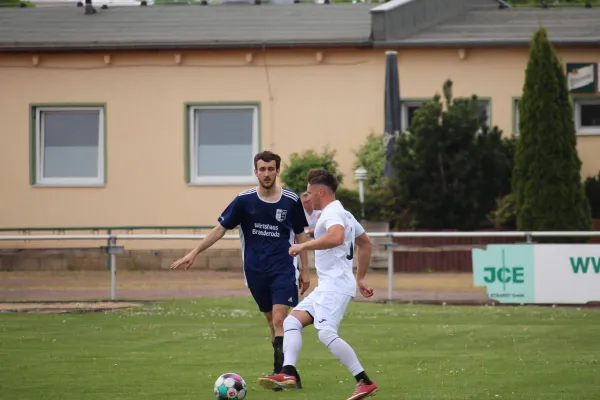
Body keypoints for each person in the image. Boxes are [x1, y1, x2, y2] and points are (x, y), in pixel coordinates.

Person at [170, 151, 311, 388]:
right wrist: (194, 252)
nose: (266, 174)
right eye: (262, 169)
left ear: (277, 171)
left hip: (283, 269)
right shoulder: (244, 201)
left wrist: (306, 270)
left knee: (280, 319)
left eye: (271, 169)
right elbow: (219, 229)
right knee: (271, 321)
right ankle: (286, 369)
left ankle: (282, 373)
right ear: (255, 171)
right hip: (255, 271)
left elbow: (300, 234)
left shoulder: (290, 200)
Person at [257, 169, 379, 400]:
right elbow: (366, 243)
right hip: (328, 287)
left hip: (335, 287)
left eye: (310, 192)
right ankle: (288, 372)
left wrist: (303, 246)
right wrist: (360, 278)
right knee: (292, 322)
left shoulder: (332, 214)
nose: (307, 197)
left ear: (320, 191)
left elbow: (337, 237)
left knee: (326, 333)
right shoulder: (343, 213)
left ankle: (364, 381)